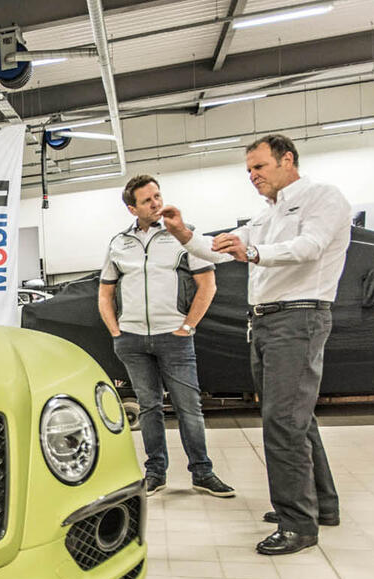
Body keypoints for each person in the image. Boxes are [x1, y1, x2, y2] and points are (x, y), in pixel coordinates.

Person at [161, 134, 350, 555]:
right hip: (267, 323)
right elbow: (217, 250)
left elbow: (310, 247)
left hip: (299, 317)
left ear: (287, 160)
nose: (253, 176)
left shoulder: (323, 198)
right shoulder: (266, 213)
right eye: (248, 170)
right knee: (296, 419)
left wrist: (255, 252)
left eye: (259, 167)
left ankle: (297, 524)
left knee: (283, 422)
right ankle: (320, 505)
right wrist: (181, 233)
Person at [99, 175, 236, 499]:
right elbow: (105, 292)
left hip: (174, 337)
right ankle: (155, 473)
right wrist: (116, 331)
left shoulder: (183, 237)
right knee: (148, 408)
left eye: (158, 196)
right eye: (147, 200)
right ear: (132, 207)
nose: (156, 203)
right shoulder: (118, 243)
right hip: (132, 339)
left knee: (189, 408)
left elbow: (208, 286)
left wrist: (187, 327)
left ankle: (202, 473)